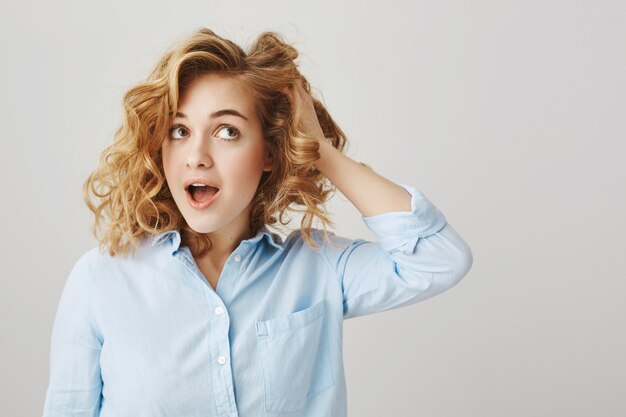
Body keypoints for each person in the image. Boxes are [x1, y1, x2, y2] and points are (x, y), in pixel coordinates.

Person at [42, 27, 473, 417]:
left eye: (227, 131)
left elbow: (438, 258)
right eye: (179, 131)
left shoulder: (317, 267)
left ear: (268, 153)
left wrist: (320, 150)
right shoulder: (99, 281)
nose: (196, 155)